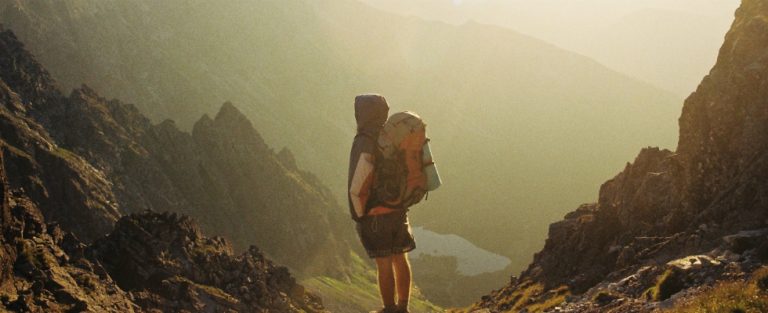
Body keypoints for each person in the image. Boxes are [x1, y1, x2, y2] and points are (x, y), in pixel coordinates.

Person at [348, 94, 416, 313]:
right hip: (399, 209)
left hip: (376, 213)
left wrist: (359, 215)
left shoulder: (364, 140)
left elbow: (358, 181)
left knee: (384, 262)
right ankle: (403, 307)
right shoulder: (393, 136)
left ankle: (389, 308)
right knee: (400, 256)